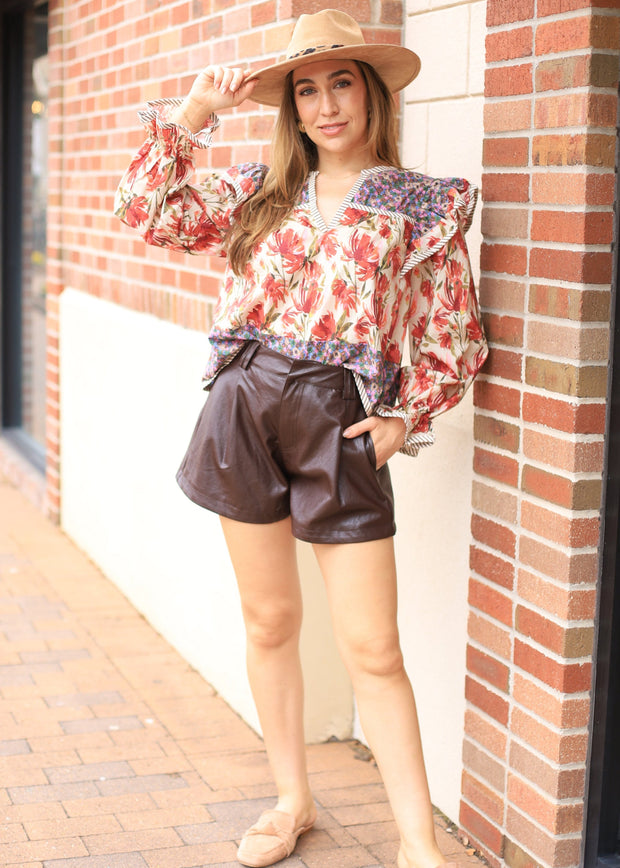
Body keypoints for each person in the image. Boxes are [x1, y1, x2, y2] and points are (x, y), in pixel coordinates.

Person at [114, 9, 488, 868]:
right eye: (307, 89)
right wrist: (195, 116)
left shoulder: (419, 206)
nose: (325, 105)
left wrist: (405, 417)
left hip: (338, 420)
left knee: (373, 647)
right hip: (243, 407)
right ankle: (291, 802)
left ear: (373, 93)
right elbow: (146, 210)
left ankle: (417, 842)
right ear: (291, 105)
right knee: (271, 618)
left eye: (342, 82)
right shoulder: (259, 191)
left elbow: (455, 334)